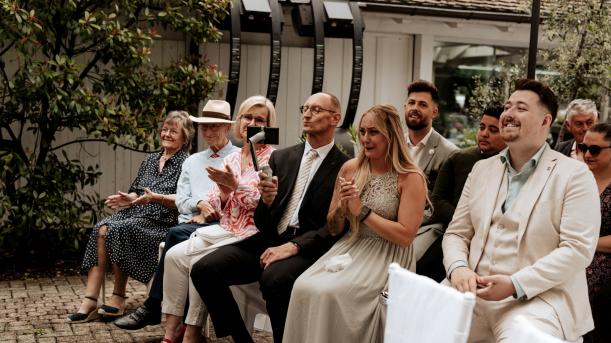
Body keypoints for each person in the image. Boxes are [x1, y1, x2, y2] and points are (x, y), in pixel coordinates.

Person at [443, 79, 600, 342]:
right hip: (470, 293)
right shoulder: (482, 170)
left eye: (521, 108)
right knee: (421, 324)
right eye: (507, 106)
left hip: (538, 298)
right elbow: (456, 233)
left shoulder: (575, 174)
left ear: (545, 121)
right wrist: (459, 269)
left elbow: (577, 249)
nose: (508, 114)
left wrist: (515, 284)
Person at [190, 92, 350, 343]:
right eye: (305, 108)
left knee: (273, 279)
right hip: (268, 239)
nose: (307, 114)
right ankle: (242, 339)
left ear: (335, 118)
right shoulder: (282, 157)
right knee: (203, 269)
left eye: (316, 110)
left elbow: (334, 228)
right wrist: (266, 202)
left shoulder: (344, 166)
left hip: (307, 246)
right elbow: (263, 220)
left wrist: (294, 246)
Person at [283, 104, 427, 342]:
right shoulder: (351, 168)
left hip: (388, 255)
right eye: (362, 132)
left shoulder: (410, 177)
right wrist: (342, 208)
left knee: (332, 293)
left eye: (374, 132)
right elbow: (334, 228)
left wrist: (361, 211)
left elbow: (406, 236)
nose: (366, 139)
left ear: (391, 135)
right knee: (303, 286)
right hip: (352, 245)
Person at [113, 100, 239, 330]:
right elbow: (181, 200)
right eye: (205, 126)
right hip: (190, 224)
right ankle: (175, 323)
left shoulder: (239, 158)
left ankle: (153, 306)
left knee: (175, 233)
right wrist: (199, 204)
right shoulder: (192, 161)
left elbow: (243, 197)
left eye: (215, 126)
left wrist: (211, 210)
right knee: (175, 235)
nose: (209, 131)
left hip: (221, 226)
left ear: (227, 128)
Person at [160, 95, 276, 343]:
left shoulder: (272, 158)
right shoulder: (232, 158)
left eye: (260, 119)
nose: (252, 122)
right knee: (172, 256)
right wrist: (224, 193)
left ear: (268, 126)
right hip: (225, 229)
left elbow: (263, 204)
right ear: (239, 122)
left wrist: (235, 186)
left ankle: (192, 331)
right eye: (247, 116)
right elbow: (214, 200)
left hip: (251, 233)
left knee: (198, 264)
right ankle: (170, 332)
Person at [68, 111, 193, 322]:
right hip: (137, 213)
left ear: (185, 137)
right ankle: (90, 299)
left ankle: (118, 296)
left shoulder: (188, 163)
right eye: (164, 129)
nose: (167, 133)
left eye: (173, 131)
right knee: (101, 229)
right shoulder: (151, 159)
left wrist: (155, 198)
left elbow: (185, 198)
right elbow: (138, 191)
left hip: (162, 220)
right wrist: (129, 198)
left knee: (118, 229)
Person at [418, 107, 506, 282]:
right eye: (482, 127)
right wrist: (466, 221)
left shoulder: (511, 167)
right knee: (422, 272)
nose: (484, 134)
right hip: (451, 233)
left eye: (493, 130)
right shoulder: (459, 159)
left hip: (494, 244)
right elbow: (437, 199)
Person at [581, 123, 611, 343]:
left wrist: (583, 243)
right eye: (584, 148)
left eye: (595, 149)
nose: (587, 154)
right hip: (573, 256)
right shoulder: (578, 178)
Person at [403, 80, 457, 192]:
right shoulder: (392, 145)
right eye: (411, 103)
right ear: (405, 107)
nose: (415, 108)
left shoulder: (450, 153)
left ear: (434, 112)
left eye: (422, 104)